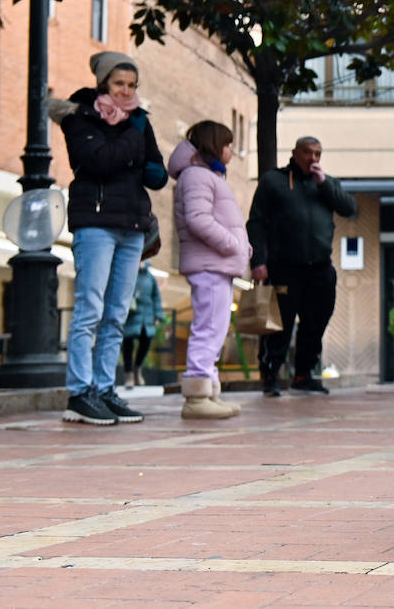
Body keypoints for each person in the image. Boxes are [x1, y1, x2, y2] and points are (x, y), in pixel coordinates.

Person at [56, 51, 167, 425]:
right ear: (104, 82)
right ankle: (79, 393)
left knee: (118, 314)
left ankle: (105, 389)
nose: (126, 91)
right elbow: (96, 161)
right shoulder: (80, 116)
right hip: (96, 222)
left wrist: (134, 149)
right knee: (90, 309)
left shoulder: (139, 121)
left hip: (133, 226)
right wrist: (134, 147)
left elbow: (158, 175)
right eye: (119, 83)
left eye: (132, 85)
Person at [247, 136, 358, 396]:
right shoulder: (273, 181)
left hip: (319, 267)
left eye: (318, 153)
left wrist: (324, 183)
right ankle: (271, 376)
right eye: (308, 152)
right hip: (283, 266)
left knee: (315, 322)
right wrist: (258, 262)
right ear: (295, 153)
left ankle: (303, 375)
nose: (313, 158)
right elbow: (256, 222)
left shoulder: (326, 183)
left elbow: (349, 208)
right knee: (279, 324)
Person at [170, 121, 252, 419]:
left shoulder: (206, 175)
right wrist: (233, 244)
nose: (232, 150)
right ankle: (196, 398)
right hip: (210, 264)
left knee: (215, 330)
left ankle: (208, 392)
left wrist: (240, 247)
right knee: (208, 329)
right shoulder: (197, 176)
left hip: (217, 263)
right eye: (228, 144)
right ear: (214, 144)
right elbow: (198, 220)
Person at [122, 260, 162, 389]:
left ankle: (137, 369)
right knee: (128, 345)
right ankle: (128, 375)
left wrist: (157, 315)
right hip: (131, 315)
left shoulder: (150, 277)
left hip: (147, 316)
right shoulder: (128, 273)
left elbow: (156, 297)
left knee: (146, 342)